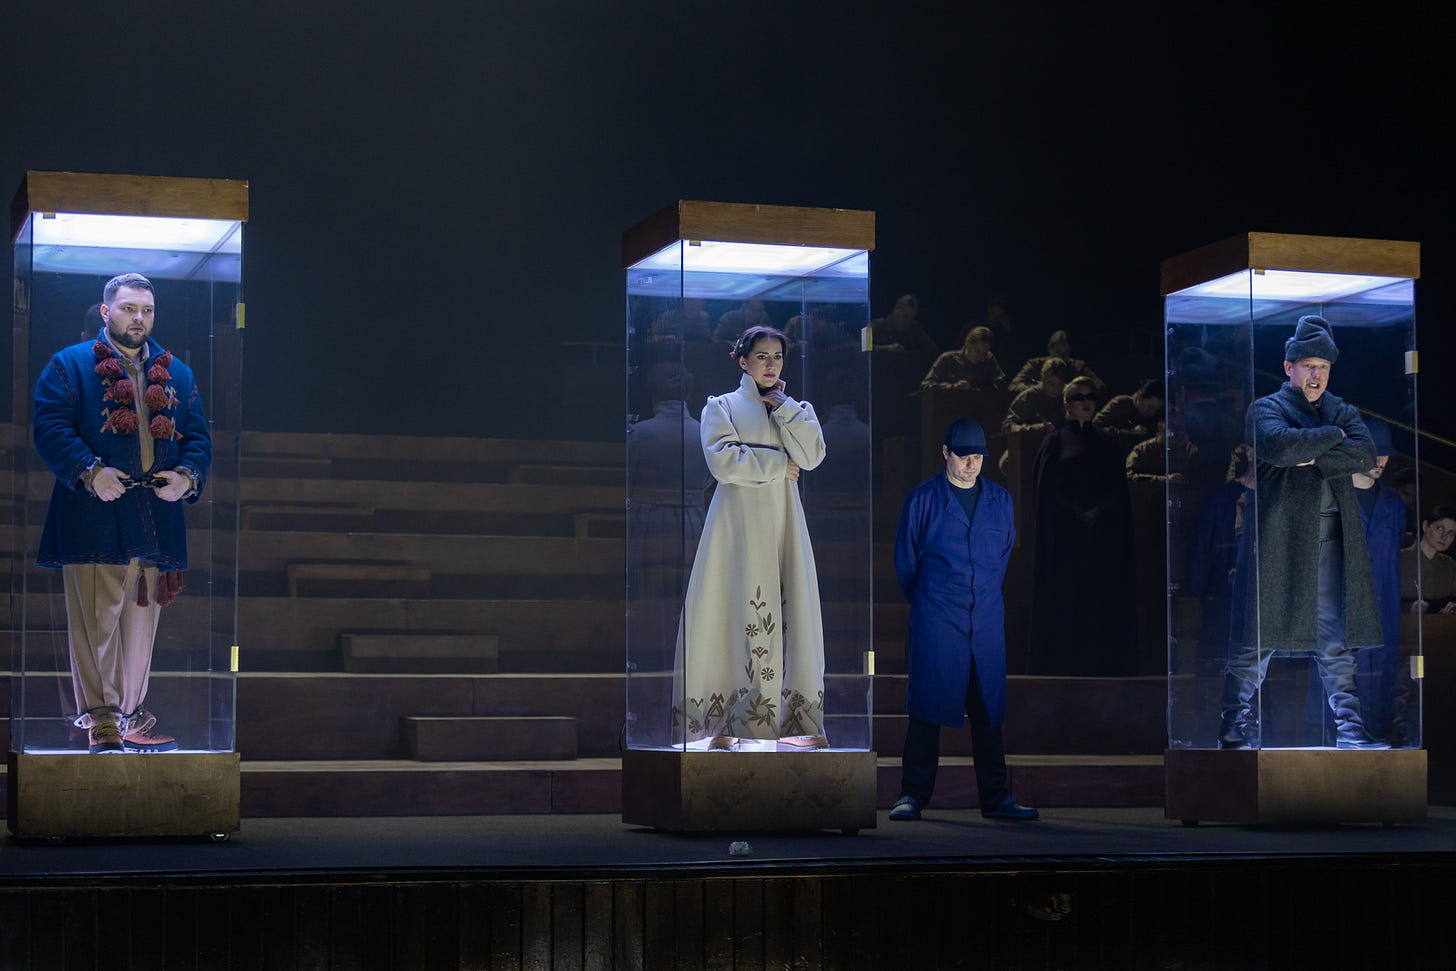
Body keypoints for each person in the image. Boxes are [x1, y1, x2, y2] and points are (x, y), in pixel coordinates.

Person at [33, 272, 211, 754]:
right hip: (94, 512)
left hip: (155, 513)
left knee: (141, 626)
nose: (140, 318)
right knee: (96, 620)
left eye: (147, 310)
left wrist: (187, 477)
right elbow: (49, 427)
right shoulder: (69, 364)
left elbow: (197, 438)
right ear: (107, 311)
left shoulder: (178, 373)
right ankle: (101, 718)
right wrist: (90, 471)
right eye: (130, 308)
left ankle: (130, 714)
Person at [1218, 315, 1387, 750]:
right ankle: (1233, 724)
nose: (1316, 375)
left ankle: (1351, 729)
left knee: (1335, 641)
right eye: (1308, 365)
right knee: (1258, 637)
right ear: (1289, 366)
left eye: (1323, 368)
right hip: (1278, 539)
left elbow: (1365, 454)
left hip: (1332, 539)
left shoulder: (1343, 408)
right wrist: (1332, 438)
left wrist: (1309, 452)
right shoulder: (1267, 408)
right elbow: (1279, 446)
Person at [670, 325, 829, 750]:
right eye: (761, 356)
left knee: (789, 603)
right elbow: (724, 463)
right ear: (743, 360)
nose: (770, 364)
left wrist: (785, 408)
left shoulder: (796, 409)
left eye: (777, 356)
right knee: (732, 604)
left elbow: (812, 457)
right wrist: (779, 466)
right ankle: (725, 724)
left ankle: (790, 723)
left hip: (783, 521)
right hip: (736, 524)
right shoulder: (719, 407)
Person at [888, 418, 1038, 822]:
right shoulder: (923, 500)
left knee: (988, 713)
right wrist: (931, 600)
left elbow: (1003, 554)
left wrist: (980, 594)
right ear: (945, 454)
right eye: (963, 456)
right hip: (937, 615)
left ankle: (995, 798)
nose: (971, 465)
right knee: (926, 710)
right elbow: (906, 562)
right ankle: (913, 795)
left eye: (977, 457)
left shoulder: (1000, 501)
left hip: (985, 618)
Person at [1025, 378, 1138, 676]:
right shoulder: (1055, 440)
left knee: (1098, 597)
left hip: (1100, 536)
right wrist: (1076, 512)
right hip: (1066, 537)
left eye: (1090, 397)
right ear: (1067, 405)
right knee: (1068, 599)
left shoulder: (1107, 441)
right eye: (1079, 397)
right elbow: (1047, 490)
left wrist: (1097, 511)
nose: (1087, 402)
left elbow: (1117, 488)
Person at [1007, 330, 1104, 396]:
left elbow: (1100, 387)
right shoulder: (1036, 364)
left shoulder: (1078, 366)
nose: (1060, 357)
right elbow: (1013, 386)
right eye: (1057, 352)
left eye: (1065, 353)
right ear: (1049, 349)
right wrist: (1040, 389)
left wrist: (1073, 390)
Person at [1400, 505, 1456, 615]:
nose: (1443, 537)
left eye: (1451, 534)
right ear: (1425, 526)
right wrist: (1409, 608)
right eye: (1439, 528)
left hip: (1442, 628)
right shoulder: (1400, 559)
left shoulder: (1449, 565)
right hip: (1405, 627)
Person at [918, 325, 1006, 392]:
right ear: (967, 343)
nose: (981, 357)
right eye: (977, 351)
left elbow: (1001, 385)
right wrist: (952, 387)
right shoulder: (948, 359)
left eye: (984, 353)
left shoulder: (988, 359)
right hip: (949, 408)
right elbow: (925, 386)